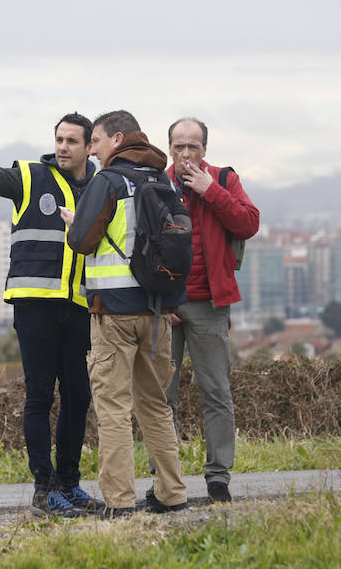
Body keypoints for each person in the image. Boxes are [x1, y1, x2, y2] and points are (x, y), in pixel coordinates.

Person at [0, 107, 101, 517]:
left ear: (90, 147)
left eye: (72, 141)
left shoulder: (99, 188)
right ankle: (44, 487)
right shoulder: (31, 176)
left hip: (76, 305)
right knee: (40, 394)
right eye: (59, 139)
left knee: (77, 395)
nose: (63, 147)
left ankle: (69, 484)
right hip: (34, 302)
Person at [64, 110, 188, 517]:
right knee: (155, 405)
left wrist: (73, 222)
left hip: (113, 313)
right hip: (156, 311)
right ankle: (171, 493)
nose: (93, 150)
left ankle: (119, 501)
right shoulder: (162, 179)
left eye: (95, 141)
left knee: (113, 408)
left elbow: (82, 241)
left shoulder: (109, 182)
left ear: (116, 139)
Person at [163, 117, 260, 503]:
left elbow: (249, 223)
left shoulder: (223, 180)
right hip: (164, 306)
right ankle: (165, 479)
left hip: (209, 304)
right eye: (179, 146)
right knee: (160, 396)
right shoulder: (157, 180)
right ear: (169, 147)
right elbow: (140, 240)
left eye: (194, 146)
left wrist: (210, 191)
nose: (186, 153)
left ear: (205, 149)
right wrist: (159, 298)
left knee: (216, 392)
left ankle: (218, 478)